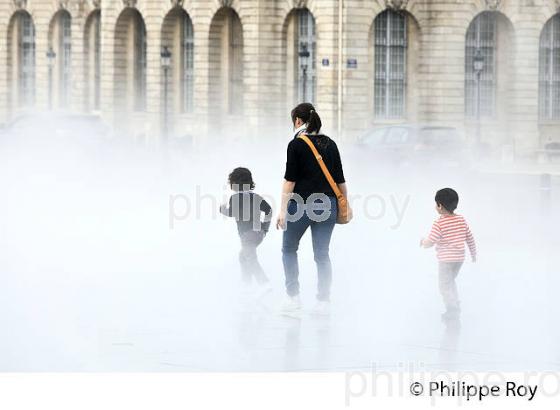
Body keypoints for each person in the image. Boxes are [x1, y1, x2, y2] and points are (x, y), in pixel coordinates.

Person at [276, 103, 348, 316]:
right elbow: (340, 180)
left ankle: (293, 297)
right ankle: (323, 301)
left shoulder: (296, 144)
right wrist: (346, 204)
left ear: (298, 121)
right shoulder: (331, 144)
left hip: (301, 205)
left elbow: (290, 181)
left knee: (289, 249)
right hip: (327, 204)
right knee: (322, 255)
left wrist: (282, 210)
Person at [420, 188, 477, 321]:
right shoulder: (461, 220)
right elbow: (469, 238)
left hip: (446, 260)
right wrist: (473, 254)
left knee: (444, 285)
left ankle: (452, 309)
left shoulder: (439, 223)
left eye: (436, 204)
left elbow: (431, 241)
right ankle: (455, 302)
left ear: (440, 206)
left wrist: (423, 242)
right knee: (450, 282)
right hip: (459, 259)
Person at [220, 167, 272, 296]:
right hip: (259, 233)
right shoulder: (256, 197)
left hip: (247, 235)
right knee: (243, 257)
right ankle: (246, 283)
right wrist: (265, 228)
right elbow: (269, 210)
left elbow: (232, 213)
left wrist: (222, 210)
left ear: (234, 183)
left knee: (250, 258)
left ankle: (264, 283)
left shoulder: (235, 197)